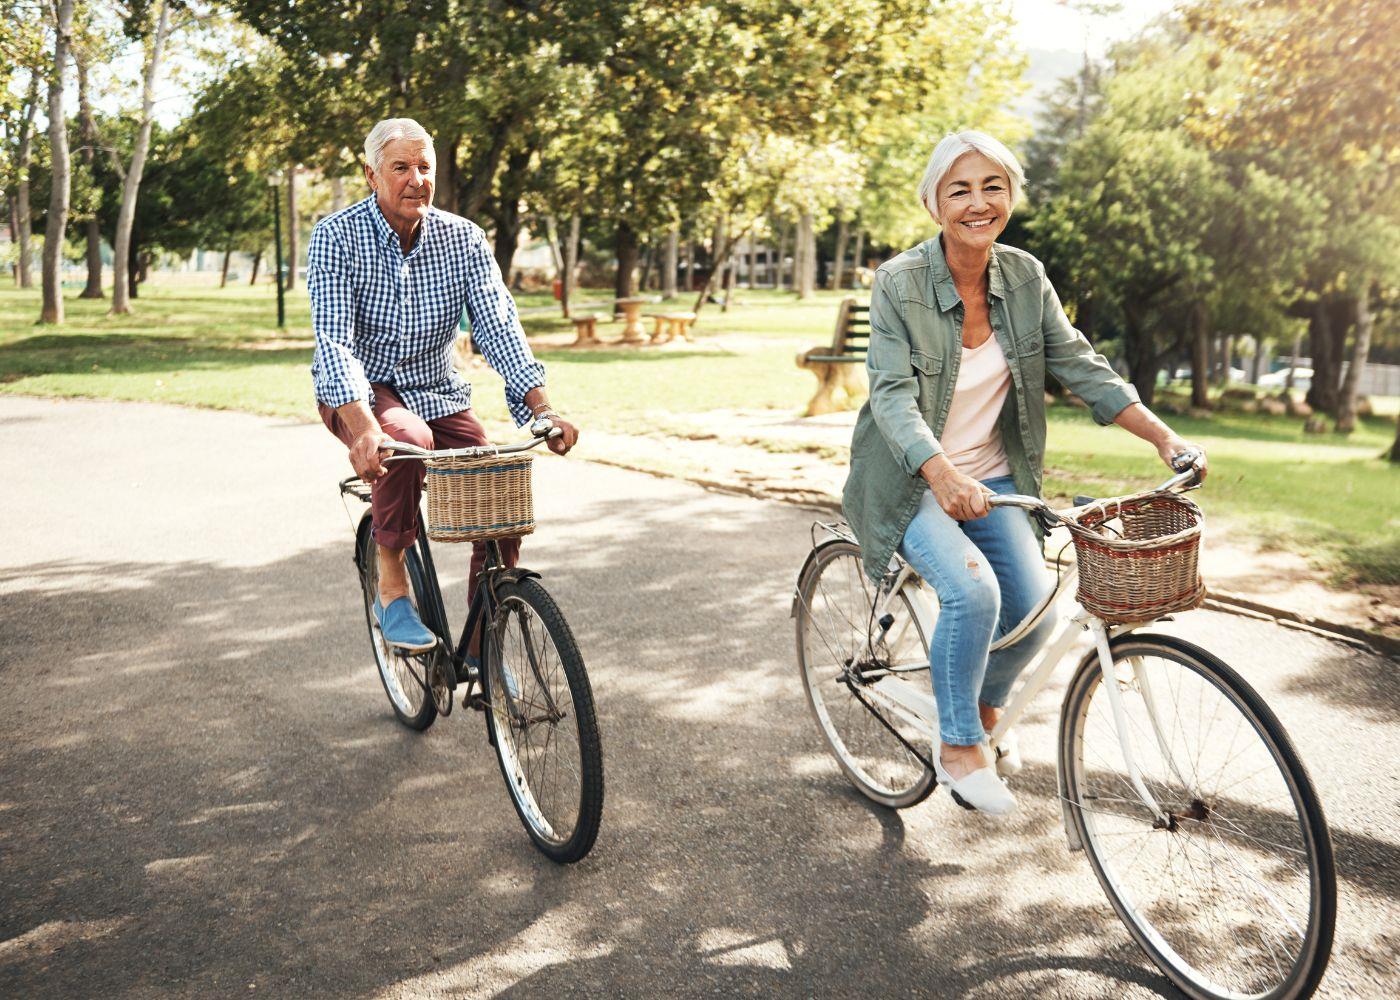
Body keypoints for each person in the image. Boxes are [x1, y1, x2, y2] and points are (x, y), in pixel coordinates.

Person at [842, 131, 1207, 816]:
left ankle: (979, 715)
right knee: (972, 595)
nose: (978, 203)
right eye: (960, 190)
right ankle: (956, 750)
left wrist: (1164, 439)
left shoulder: (1023, 276)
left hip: (996, 479)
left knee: (1037, 613)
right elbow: (891, 395)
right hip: (911, 480)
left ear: (1010, 196)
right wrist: (943, 474)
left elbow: (1078, 363)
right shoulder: (899, 282)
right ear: (933, 204)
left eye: (992, 187)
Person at [309, 117, 579, 654]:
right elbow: (335, 343)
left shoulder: (463, 238)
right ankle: (392, 585)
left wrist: (542, 410)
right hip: (364, 391)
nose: (416, 179)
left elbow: (499, 326)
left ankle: (484, 642)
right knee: (408, 440)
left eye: (425, 167)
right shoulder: (336, 236)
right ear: (371, 174)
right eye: (401, 167)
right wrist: (362, 428)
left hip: (437, 389)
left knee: (494, 482)